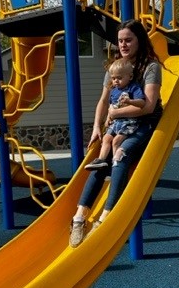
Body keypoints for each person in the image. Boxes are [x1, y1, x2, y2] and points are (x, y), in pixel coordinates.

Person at [70, 19, 163, 247]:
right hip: (118, 124)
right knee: (99, 163)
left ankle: (105, 218)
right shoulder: (115, 69)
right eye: (120, 40)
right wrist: (96, 127)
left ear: (139, 40)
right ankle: (79, 218)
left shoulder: (150, 67)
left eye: (128, 40)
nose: (123, 44)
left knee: (120, 153)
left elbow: (149, 106)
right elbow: (103, 101)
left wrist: (116, 112)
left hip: (143, 124)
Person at [85, 58, 146, 170]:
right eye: (113, 78)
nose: (116, 81)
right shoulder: (114, 91)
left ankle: (115, 163)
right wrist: (108, 117)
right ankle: (101, 160)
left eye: (119, 78)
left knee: (116, 141)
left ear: (130, 77)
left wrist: (130, 101)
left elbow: (142, 103)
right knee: (106, 139)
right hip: (116, 121)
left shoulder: (134, 87)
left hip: (129, 122)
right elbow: (111, 106)